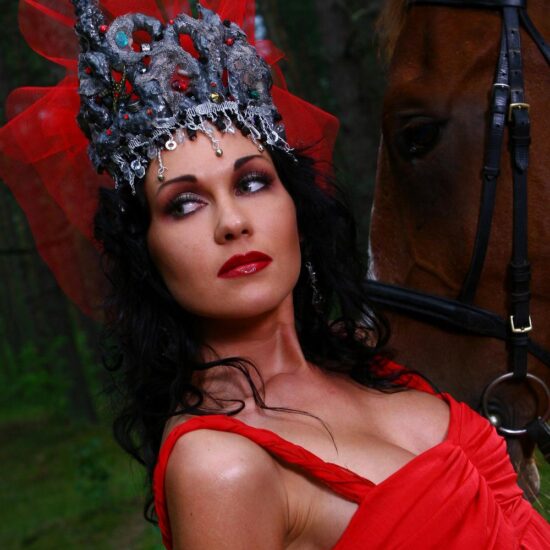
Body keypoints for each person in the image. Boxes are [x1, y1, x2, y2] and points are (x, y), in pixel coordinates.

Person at [0, 1, 548, 549]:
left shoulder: (376, 363)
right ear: (146, 254)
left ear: (296, 208)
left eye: (253, 183)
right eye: (185, 204)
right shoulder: (221, 467)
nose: (233, 223)